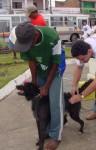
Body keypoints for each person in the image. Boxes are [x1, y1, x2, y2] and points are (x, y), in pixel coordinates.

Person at [14, 21, 65, 150]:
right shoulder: (24, 38)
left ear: (36, 35)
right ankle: (46, 131)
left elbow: (55, 63)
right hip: (40, 70)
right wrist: (34, 81)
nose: (26, 47)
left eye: (28, 44)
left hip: (55, 71)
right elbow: (31, 60)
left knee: (55, 104)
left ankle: (55, 136)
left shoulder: (52, 37)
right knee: (40, 103)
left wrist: (47, 86)